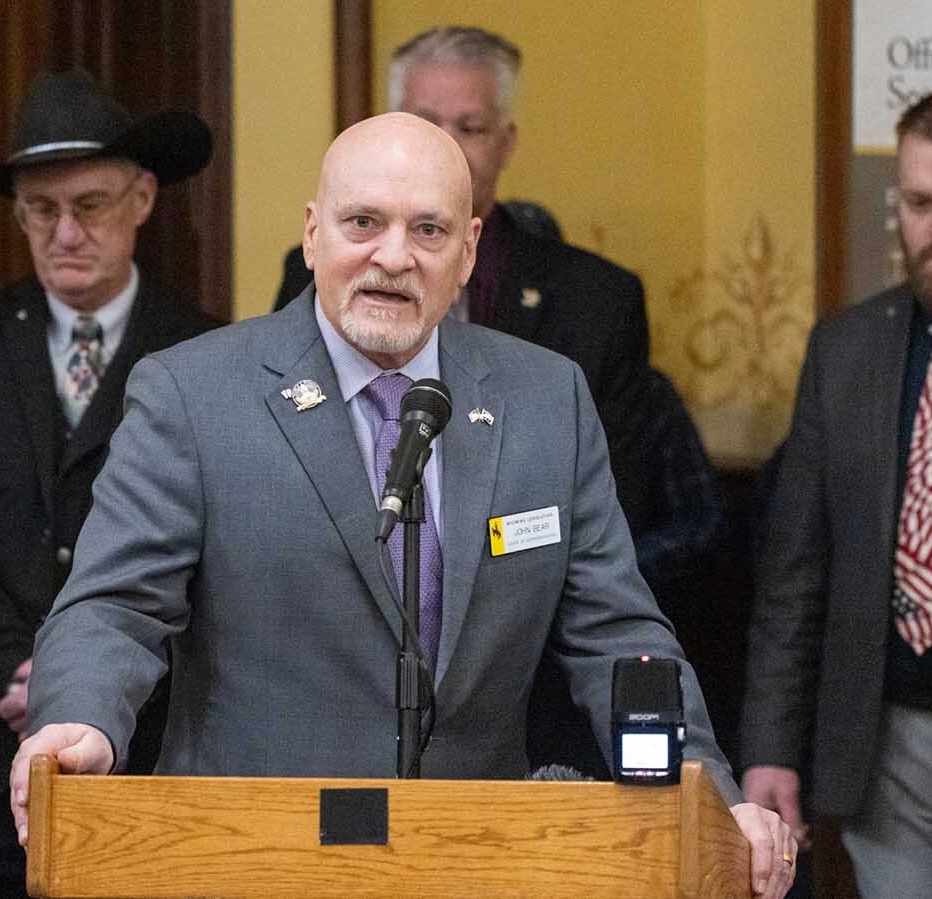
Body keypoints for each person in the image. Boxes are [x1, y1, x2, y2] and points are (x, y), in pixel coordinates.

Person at [10, 112, 797, 899]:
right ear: (313, 234)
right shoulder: (194, 392)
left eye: (428, 229)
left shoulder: (546, 398)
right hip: (252, 859)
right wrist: (79, 717)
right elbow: (114, 604)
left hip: (478, 862)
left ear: (468, 251)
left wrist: (714, 799)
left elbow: (617, 634)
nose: (393, 255)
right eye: (363, 223)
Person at [273, 24, 703, 778]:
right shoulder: (265, 331)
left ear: (504, 141)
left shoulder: (586, 316)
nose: (393, 258)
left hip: (516, 723)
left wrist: (705, 784)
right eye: (426, 121)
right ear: (316, 237)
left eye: (467, 127)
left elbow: (604, 575)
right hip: (310, 757)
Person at [740, 87, 932, 898]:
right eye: (919, 201)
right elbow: (796, 568)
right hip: (892, 750)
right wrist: (771, 743)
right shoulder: (846, 347)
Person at [0, 69, 219, 899]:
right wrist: (20, 673)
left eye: (89, 206)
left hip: (149, 743)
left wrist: (90, 688)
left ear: (142, 200)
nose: (64, 232)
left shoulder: (204, 353)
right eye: (39, 211)